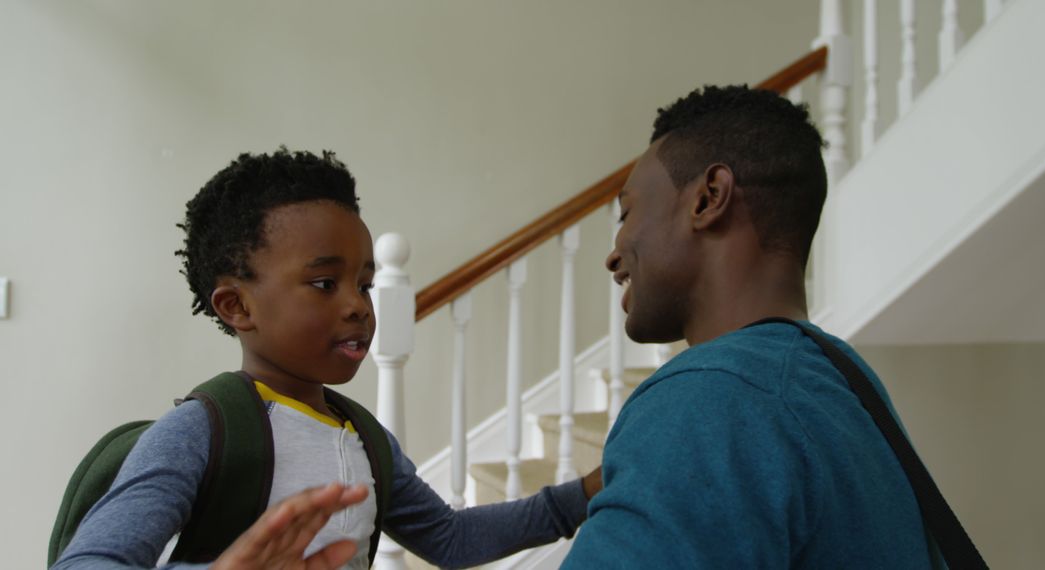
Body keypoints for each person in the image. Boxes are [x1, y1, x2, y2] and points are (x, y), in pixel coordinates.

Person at [53, 148, 602, 570]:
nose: (357, 306)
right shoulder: (199, 431)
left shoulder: (366, 438)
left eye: (364, 284)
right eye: (323, 283)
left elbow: (451, 539)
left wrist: (577, 498)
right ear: (237, 305)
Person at [562, 85, 940, 568]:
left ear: (708, 199)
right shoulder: (848, 384)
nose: (613, 254)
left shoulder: (708, 400)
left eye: (627, 212)